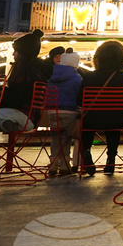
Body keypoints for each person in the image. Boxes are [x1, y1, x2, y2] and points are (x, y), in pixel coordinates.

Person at [0, 29, 53, 181]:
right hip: (28, 114)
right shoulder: (34, 71)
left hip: (26, 116)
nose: (13, 54)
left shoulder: (28, 73)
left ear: (23, 53)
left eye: (16, 51)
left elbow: (17, 99)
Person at [77, 40, 123, 176]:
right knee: (114, 124)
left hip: (93, 119)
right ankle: (111, 158)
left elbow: (79, 100)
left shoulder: (89, 76)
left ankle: (86, 151)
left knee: (87, 122)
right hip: (119, 120)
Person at [47, 46, 82, 176]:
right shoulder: (76, 77)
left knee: (56, 138)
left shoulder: (51, 75)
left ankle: (53, 164)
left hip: (53, 111)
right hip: (69, 111)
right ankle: (65, 165)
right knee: (66, 138)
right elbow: (80, 95)